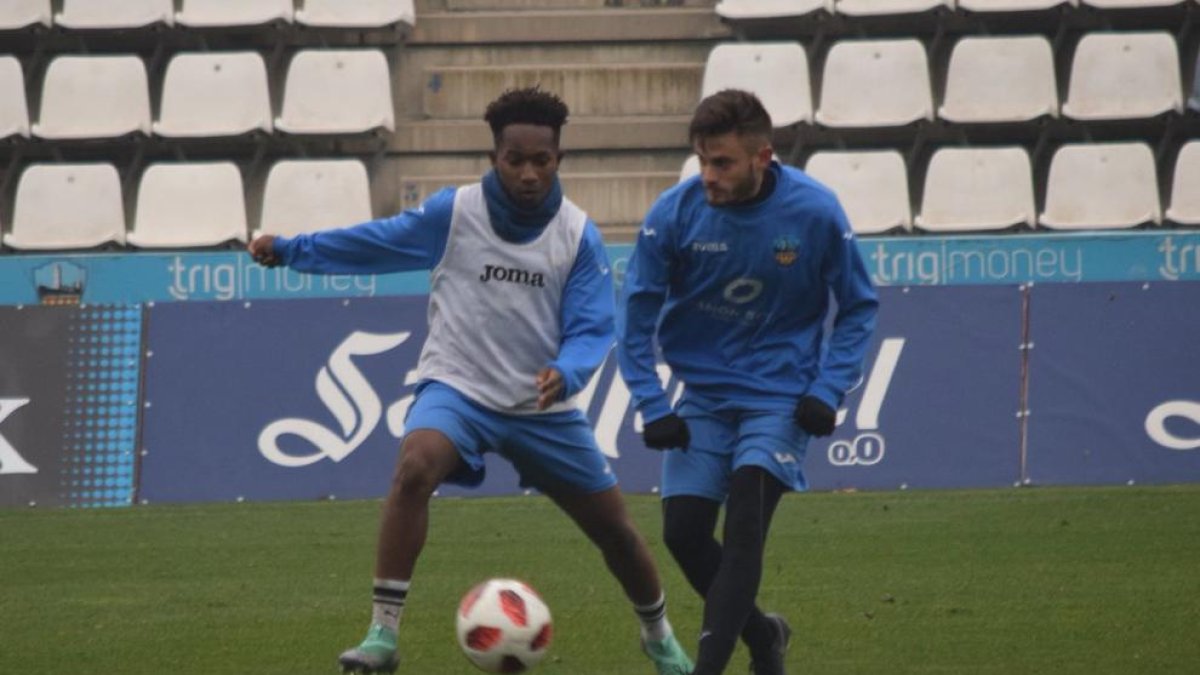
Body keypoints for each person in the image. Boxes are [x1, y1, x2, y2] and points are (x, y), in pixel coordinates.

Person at [249, 87, 693, 675]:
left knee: (614, 530)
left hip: (541, 408)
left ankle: (658, 636)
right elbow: (374, 244)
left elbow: (592, 329)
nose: (530, 173)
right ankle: (382, 636)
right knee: (415, 464)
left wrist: (568, 372)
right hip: (457, 389)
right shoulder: (452, 214)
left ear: (560, 159)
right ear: (495, 158)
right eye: (516, 160)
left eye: (543, 160)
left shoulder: (577, 235)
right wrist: (289, 249)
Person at [617, 89, 879, 675]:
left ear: (763, 157)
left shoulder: (816, 212)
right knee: (684, 534)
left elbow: (858, 305)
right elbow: (633, 316)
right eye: (703, 161)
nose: (708, 175)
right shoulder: (674, 215)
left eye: (723, 163)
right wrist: (652, 402)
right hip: (704, 400)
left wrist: (827, 388)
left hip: (780, 399)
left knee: (744, 523)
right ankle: (765, 638)